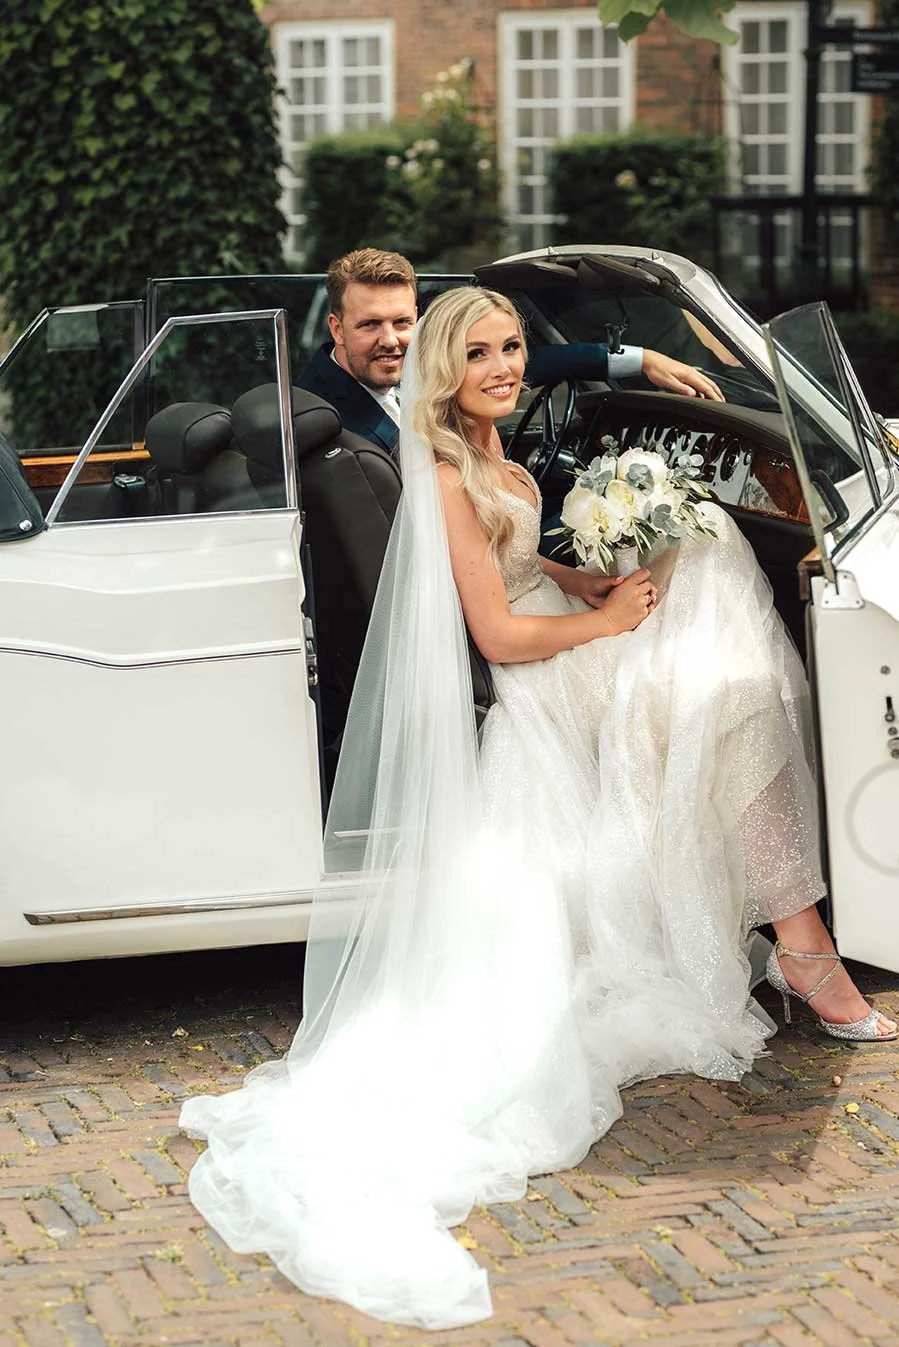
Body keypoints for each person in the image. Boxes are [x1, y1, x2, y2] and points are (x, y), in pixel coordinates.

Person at [181, 288, 895, 1333]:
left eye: (512, 346)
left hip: (565, 629)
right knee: (730, 685)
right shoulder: (444, 473)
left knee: (705, 562)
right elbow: (499, 636)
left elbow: (520, 568)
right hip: (542, 681)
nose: (505, 366)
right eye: (479, 353)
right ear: (445, 369)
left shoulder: (490, 452)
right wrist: (607, 621)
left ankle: (800, 936)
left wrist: (588, 573)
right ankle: (804, 941)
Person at [296, 248, 724, 454]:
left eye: (402, 323)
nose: (390, 340)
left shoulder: (406, 364)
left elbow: (518, 366)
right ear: (337, 328)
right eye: (370, 325)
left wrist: (641, 359)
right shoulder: (320, 419)